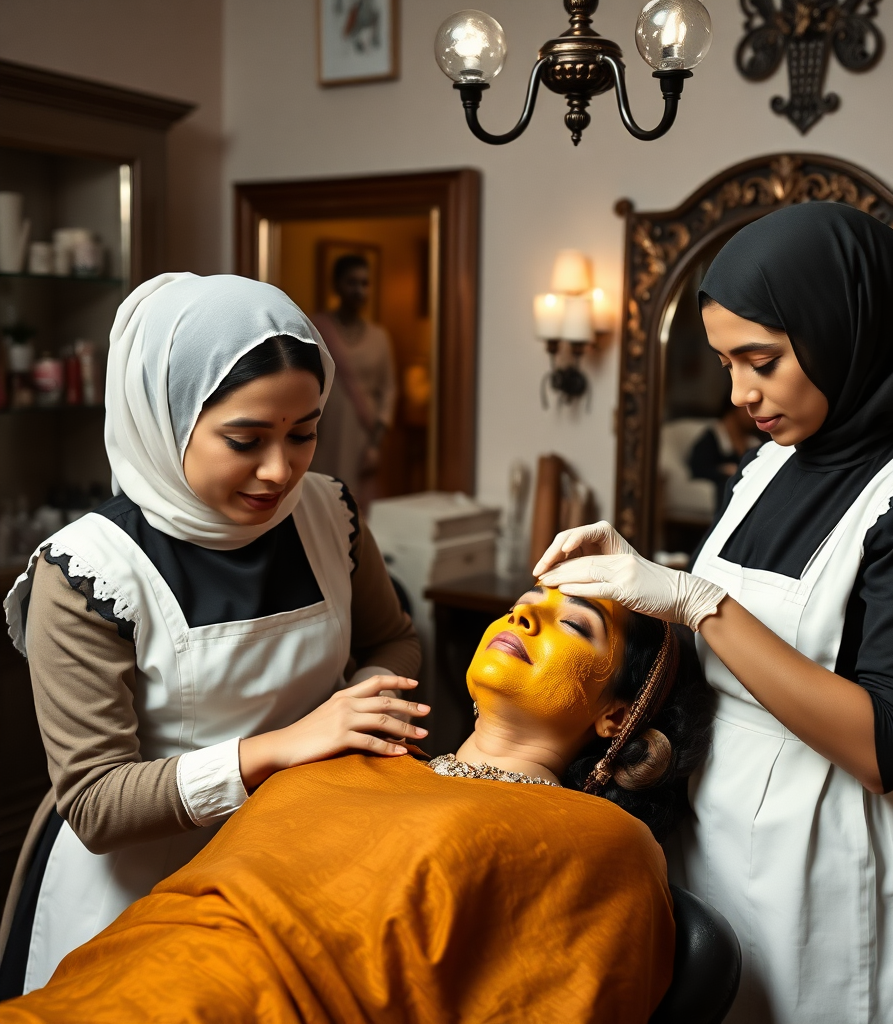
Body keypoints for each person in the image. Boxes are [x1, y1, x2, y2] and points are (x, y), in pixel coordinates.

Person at [535, 203, 893, 1023]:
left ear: (842, 331)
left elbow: (883, 745)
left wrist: (696, 600)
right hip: (719, 818)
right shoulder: (772, 462)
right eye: (727, 363)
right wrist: (643, 584)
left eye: (761, 360)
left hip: (833, 842)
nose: (741, 394)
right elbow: (739, 634)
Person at [0, 587, 714, 1024]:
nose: (525, 618)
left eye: (572, 625)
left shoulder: (604, 842)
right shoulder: (352, 758)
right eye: (527, 605)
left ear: (617, 718)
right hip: (108, 983)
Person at [0, 274, 422, 997]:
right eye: (245, 439)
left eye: (305, 432)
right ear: (163, 417)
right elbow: (97, 802)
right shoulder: (87, 573)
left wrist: (361, 714)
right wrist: (289, 746)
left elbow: (394, 640)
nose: (280, 470)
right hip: (133, 888)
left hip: (294, 856)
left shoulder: (330, 515)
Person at [311, 254, 396, 507]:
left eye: (365, 283)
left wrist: (375, 444)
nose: (359, 290)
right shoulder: (317, 329)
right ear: (336, 285)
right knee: (321, 499)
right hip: (324, 432)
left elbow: (389, 390)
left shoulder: (379, 336)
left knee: (355, 505)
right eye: (352, 282)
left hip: (362, 434)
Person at [687, 393, 765, 510]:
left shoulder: (754, 441)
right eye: (748, 407)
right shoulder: (712, 438)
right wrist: (722, 470)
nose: (754, 414)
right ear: (735, 407)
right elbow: (698, 469)